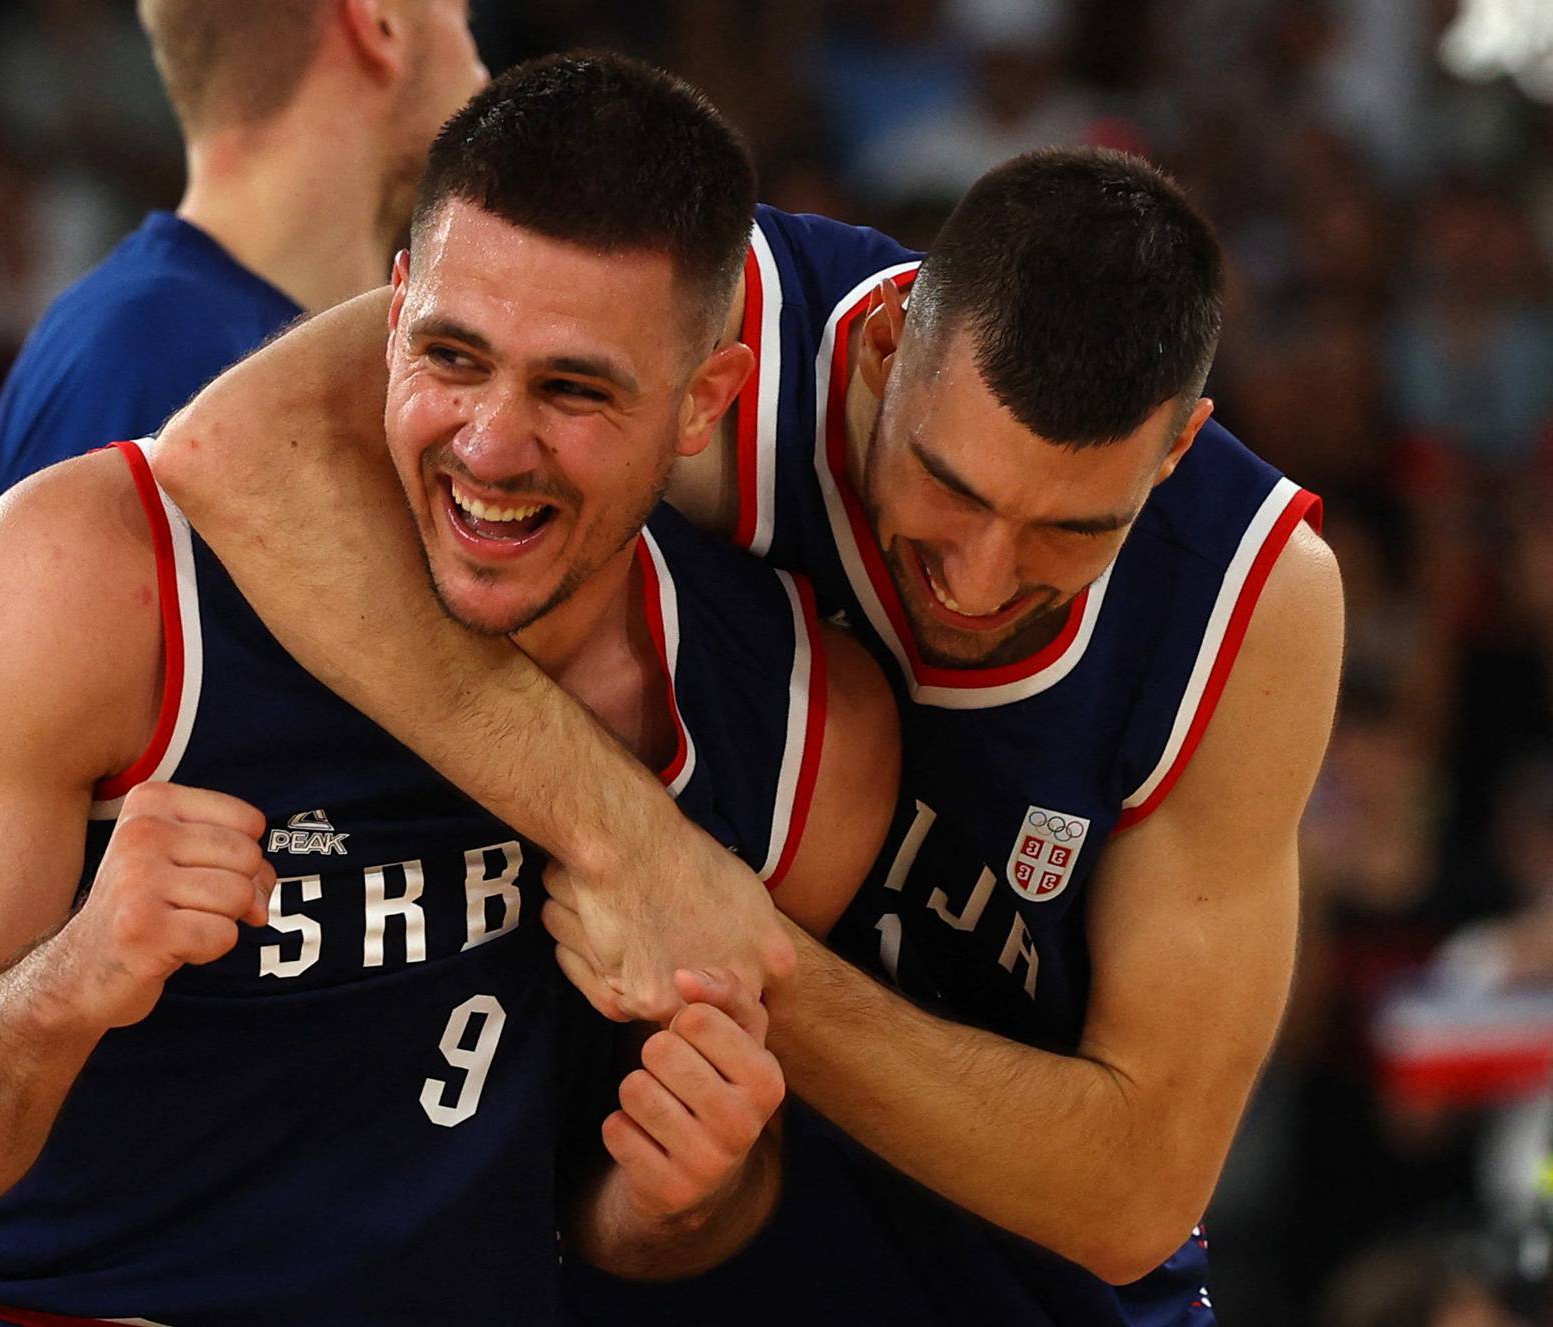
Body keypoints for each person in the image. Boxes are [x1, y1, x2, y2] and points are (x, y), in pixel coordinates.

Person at [0, 57, 899, 1327]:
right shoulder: (101, 577)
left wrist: (683, 1196)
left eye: (573, 388)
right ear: (392, 314)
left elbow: (623, 1216)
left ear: (707, 397)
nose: (489, 444)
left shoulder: (802, 723)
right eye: (452, 356)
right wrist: (71, 980)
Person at [149, 141, 1346, 1321]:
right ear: (886, 348)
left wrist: (727, 938)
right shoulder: (717, 318)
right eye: (951, 486)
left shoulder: (1255, 599)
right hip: (664, 1220)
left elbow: (1135, 1188)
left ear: (1176, 449)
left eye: (1068, 533)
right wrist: (626, 838)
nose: (981, 580)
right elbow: (248, 449)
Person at [0, 0, 486, 511]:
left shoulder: (158, 342)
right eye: (460, 15)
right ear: (379, 24)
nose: (482, 72)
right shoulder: (150, 358)